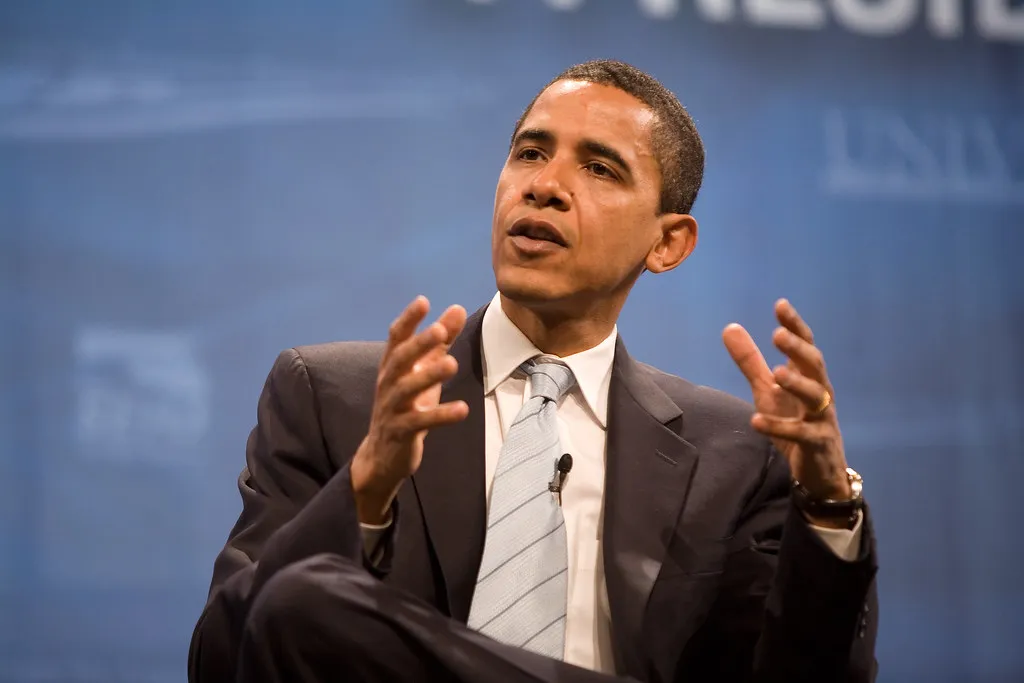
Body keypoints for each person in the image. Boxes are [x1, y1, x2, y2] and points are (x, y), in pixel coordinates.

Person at [188, 60, 878, 683]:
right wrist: (366, 486)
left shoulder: (736, 455)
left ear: (669, 242)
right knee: (301, 599)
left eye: (599, 168)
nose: (544, 186)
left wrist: (826, 506)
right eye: (530, 153)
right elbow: (226, 658)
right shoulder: (336, 398)